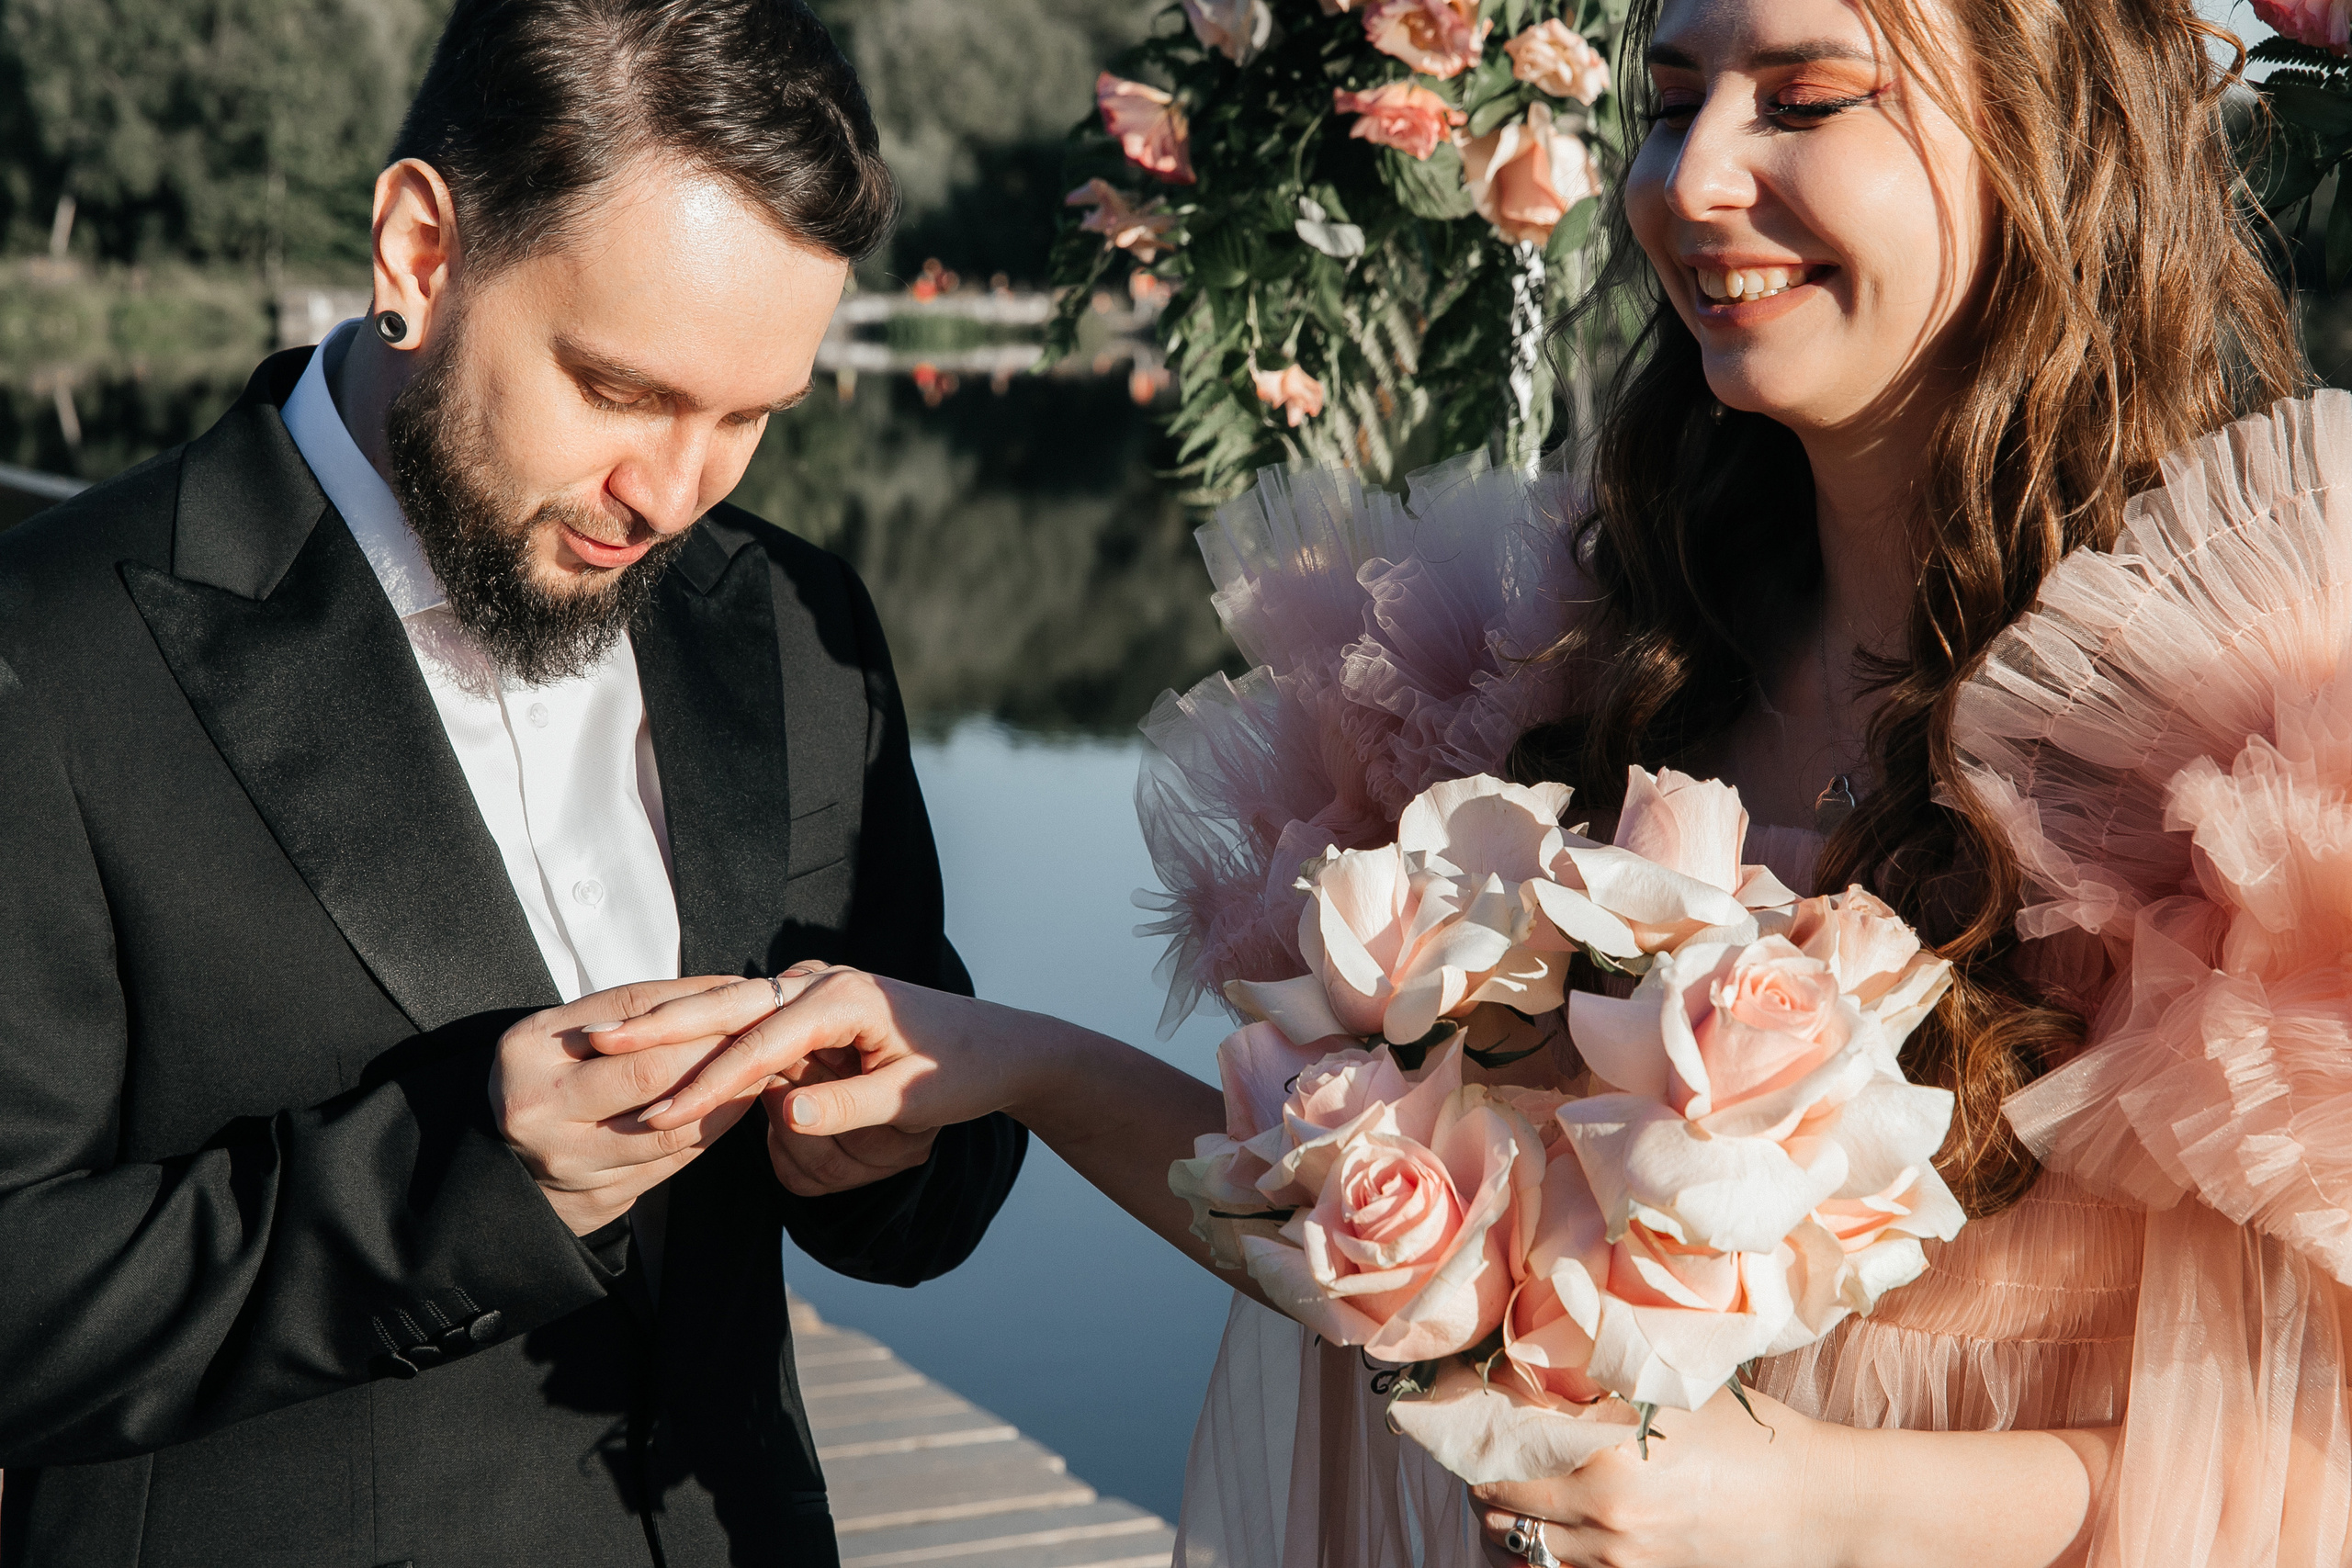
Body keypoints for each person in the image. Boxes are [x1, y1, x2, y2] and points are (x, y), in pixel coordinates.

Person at [555, 0, 2349, 1564]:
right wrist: (1002, 1058)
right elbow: (1384, 1253)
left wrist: (1820, 1502)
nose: (1688, 176)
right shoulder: (1566, 669)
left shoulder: (2271, 756)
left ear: (2047, 142)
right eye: (1666, 96)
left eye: (1803, 99)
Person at [0, 1, 1026, 1563]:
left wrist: (895, 1148)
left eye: (749, 417)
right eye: (621, 388)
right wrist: (458, 1184)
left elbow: (927, 1173)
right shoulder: (47, 655)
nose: (674, 492)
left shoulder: (796, 629)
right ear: (420, 252)